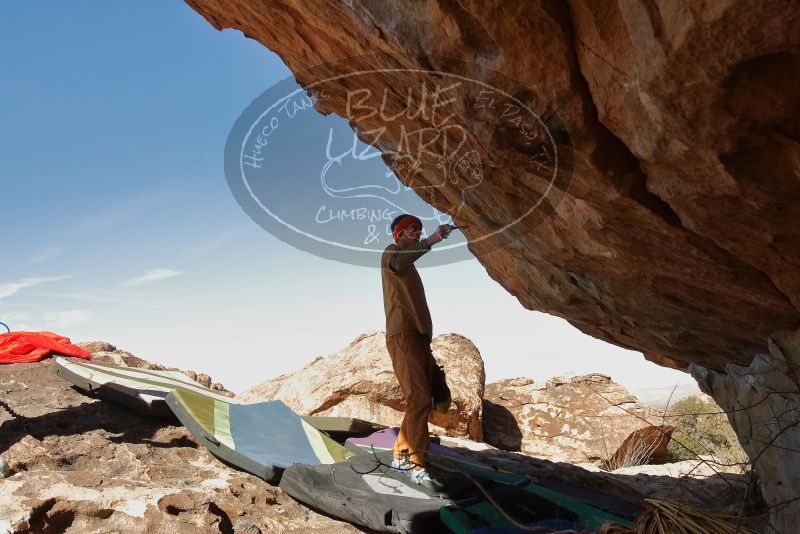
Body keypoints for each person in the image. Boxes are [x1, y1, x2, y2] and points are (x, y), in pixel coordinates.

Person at [381, 213, 452, 490]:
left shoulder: (409, 263)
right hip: (403, 335)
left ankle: (400, 454)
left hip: (419, 338)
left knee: (423, 399)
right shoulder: (392, 254)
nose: (417, 232)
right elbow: (401, 260)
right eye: (412, 229)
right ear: (398, 234)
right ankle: (418, 464)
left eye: (420, 229)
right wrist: (433, 239)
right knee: (420, 399)